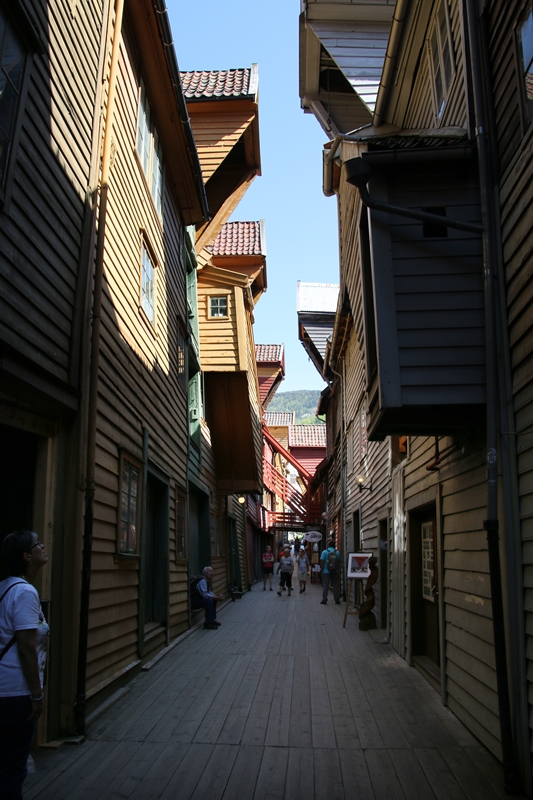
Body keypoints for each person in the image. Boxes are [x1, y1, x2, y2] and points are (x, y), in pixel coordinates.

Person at [0, 530, 50, 799]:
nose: (43, 546)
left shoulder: (4, 587)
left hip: (4, 690)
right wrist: (37, 695)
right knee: (12, 769)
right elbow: (26, 646)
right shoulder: (25, 592)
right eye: (37, 544)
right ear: (27, 557)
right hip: (15, 693)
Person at [320, 538, 341, 604]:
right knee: (335, 585)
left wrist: (323, 569)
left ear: (328, 545)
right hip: (335, 571)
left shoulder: (325, 552)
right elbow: (339, 562)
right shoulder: (337, 552)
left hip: (326, 571)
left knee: (326, 585)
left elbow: (322, 561)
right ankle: (337, 599)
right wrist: (338, 570)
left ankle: (324, 599)